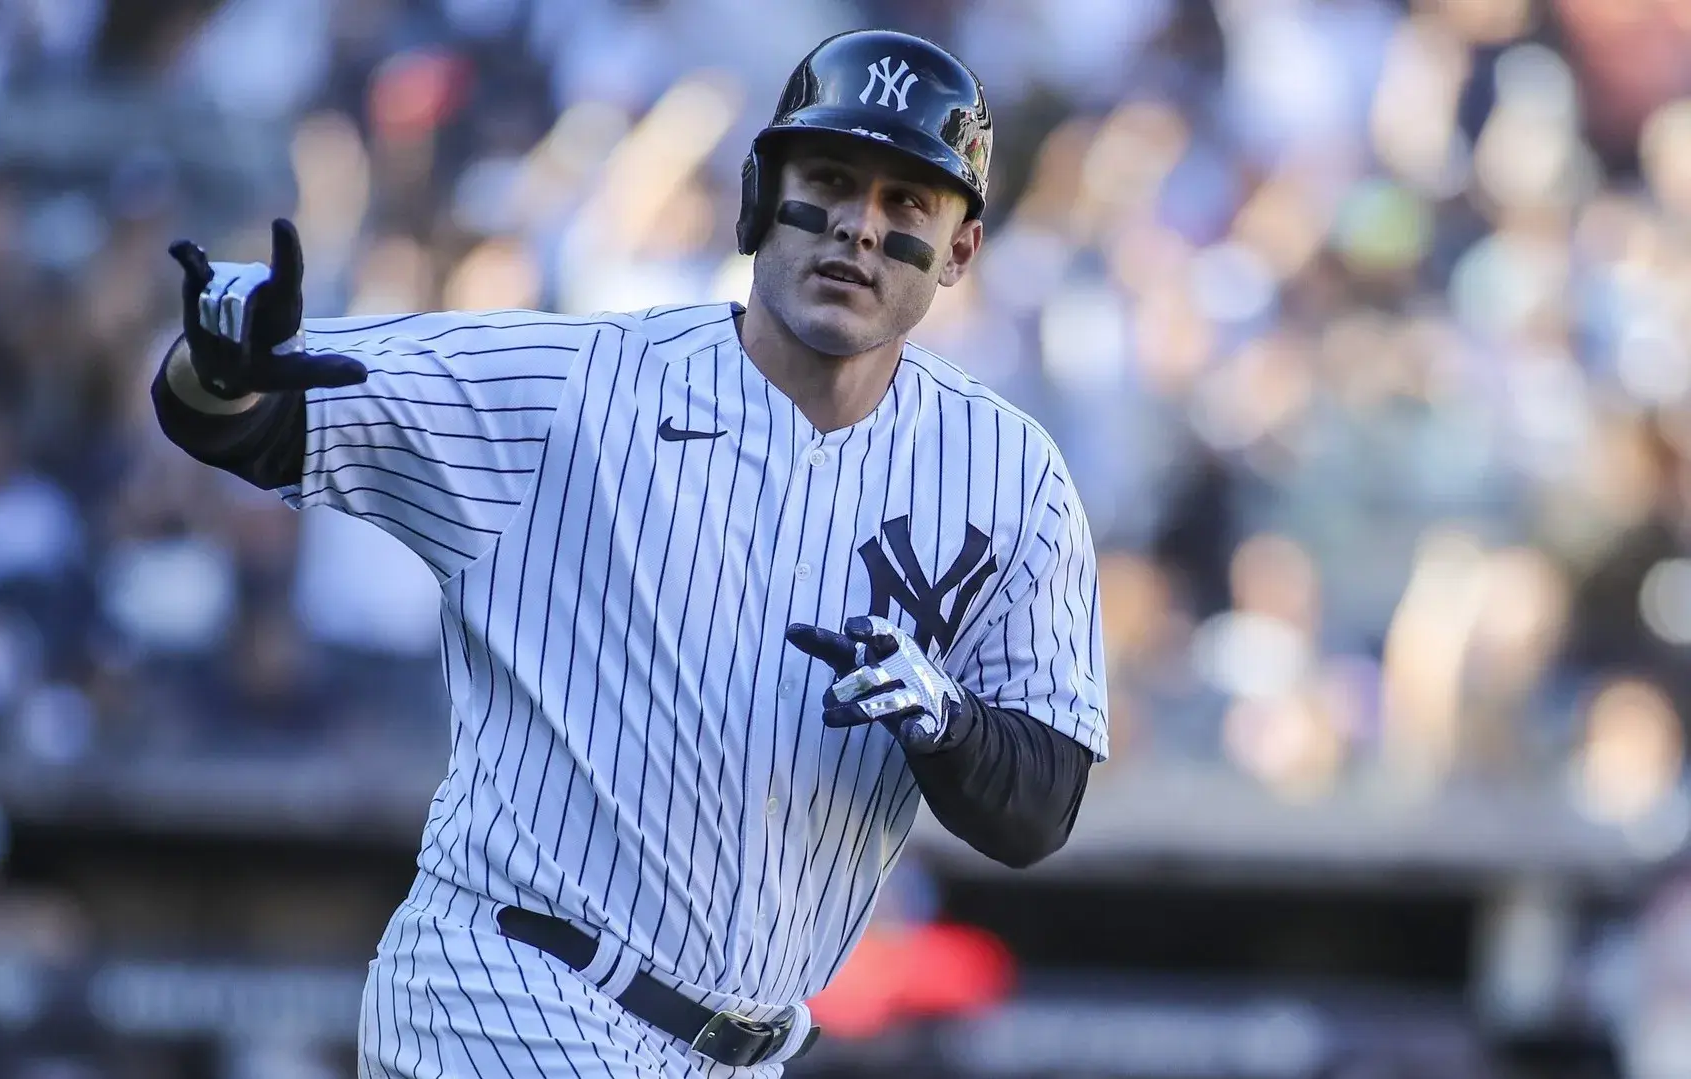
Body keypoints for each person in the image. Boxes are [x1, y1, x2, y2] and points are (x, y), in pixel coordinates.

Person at [153, 29, 1106, 1079]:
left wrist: (949, 723)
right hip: (512, 987)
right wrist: (216, 362)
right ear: (756, 200)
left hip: (743, 1048)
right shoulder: (576, 383)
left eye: (905, 204)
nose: (856, 226)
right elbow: (248, 412)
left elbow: (1039, 808)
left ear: (961, 249)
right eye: (829, 180)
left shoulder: (1010, 477)